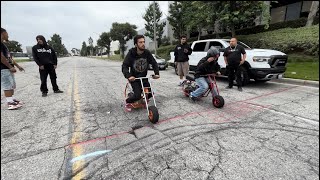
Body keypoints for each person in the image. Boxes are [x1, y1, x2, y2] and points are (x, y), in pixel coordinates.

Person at [122, 35, 160, 111]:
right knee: (137, 95)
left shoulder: (147, 53)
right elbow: (124, 66)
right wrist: (129, 76)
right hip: (134, 79)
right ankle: (128, 101)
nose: (143, 44)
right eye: (140, 42)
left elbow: (154, 63)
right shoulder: (131, 53)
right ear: (136, 44)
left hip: (144, 78)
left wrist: (157, 73)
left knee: (150, 93)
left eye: (143, 42)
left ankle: (142, 100)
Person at [1, 27, 24, 110]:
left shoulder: (3, 45)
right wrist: (10, 67)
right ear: (3, 33)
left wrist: (18, 66)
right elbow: (1, 57)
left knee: (11, 85)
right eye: (7, 33)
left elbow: (9, 58)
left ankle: (12, 99)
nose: (8, 35)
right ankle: (10, 103)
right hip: (3, 69)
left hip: (7, 68)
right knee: (7, 85)